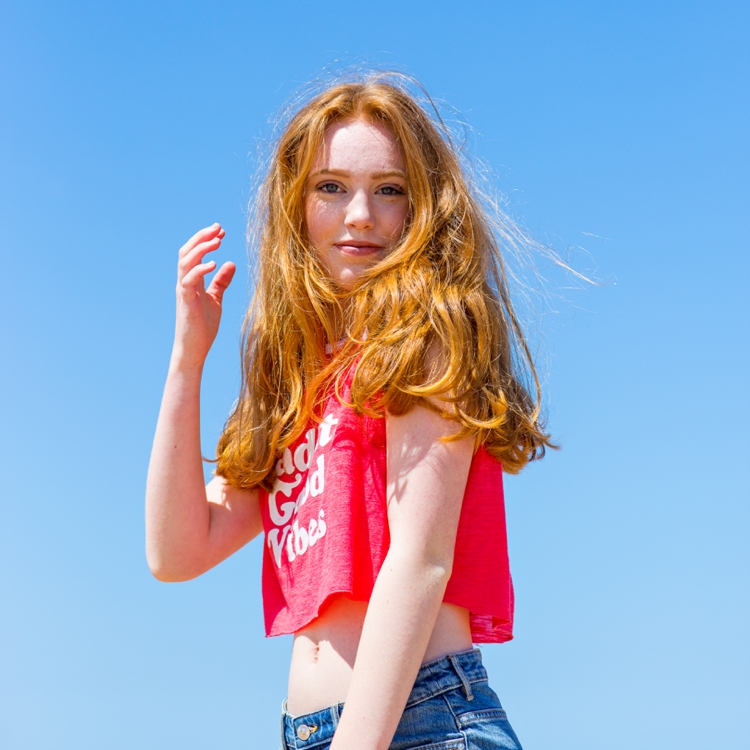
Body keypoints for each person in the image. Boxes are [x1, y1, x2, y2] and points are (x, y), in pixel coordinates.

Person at [146, 72, 553, 750]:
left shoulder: (424, 334)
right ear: (297, 204)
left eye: (389, 190)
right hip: (319, 733)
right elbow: (177, 550)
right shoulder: (300, 381)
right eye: (331, 187)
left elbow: (420, 561)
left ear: (423, 207)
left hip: (420, 724)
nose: (359, 213)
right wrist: (188, 359)